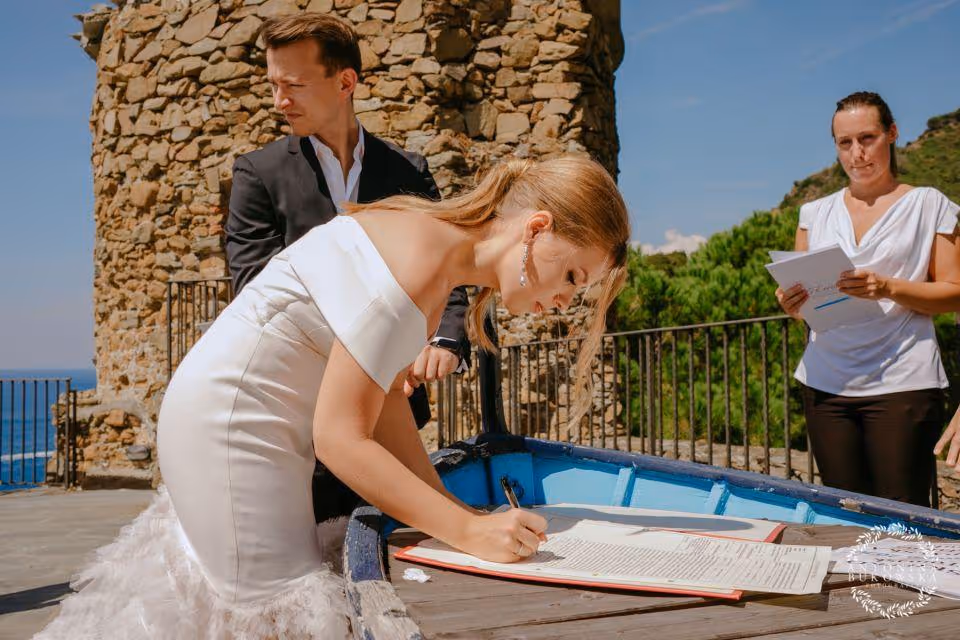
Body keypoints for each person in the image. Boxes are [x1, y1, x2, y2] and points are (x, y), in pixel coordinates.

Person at [35, 155, 631, 638]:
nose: (565, 300)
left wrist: (450, 512)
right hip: (234, 426)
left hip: (245, 418)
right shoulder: (421, 267)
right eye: (574, 276)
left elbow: (387, 406)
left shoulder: (432, 245)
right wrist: (468, 532)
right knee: (270, 610)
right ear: (536, 228)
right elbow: (343, 439)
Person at [225, 13, 471, 521]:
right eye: (273, 85)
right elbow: (256, 288)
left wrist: (444, 340)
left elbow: (448, 268)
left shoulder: (408, 171)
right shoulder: (258, 174)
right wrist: (376, 352)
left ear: (345, 82)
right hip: (298, 417)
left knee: (392, 554)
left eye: (293, 85)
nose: (279, 101)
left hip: (397, 416)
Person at [776, 91, 960, 507]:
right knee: (846, 517)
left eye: (867, 138)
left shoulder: (929, 205)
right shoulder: (814, 213)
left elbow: (954, 293)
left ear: (891, 134)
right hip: (825, 386)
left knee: (902, 518)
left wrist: (888, 287)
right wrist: (793, 304)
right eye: (845, 143)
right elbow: (806, 305)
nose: (857, 154)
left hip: (903, 384)